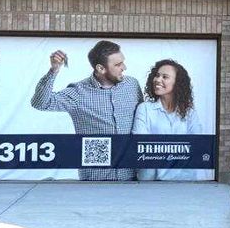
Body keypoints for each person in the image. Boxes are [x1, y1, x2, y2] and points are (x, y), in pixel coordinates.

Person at [31, 40, 142, 181]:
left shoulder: (132, 85)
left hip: (131, 177)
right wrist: (53, 71)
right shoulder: (78, 92)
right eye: (118, 64)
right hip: (95, 180)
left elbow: (141, 122)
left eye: (122, 62)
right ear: (101, 68)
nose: (124, 67)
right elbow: (40, 103)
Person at [132, 59, 208, 181]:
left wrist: (159, 147)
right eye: (157, 75)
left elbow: (196, 144)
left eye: (165, 77)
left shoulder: (190, 112)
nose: (158, 80)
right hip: (150, 181)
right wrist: (179, 148)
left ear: (177, 83)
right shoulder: (144, 109)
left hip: (184, 180)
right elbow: (141, 144)